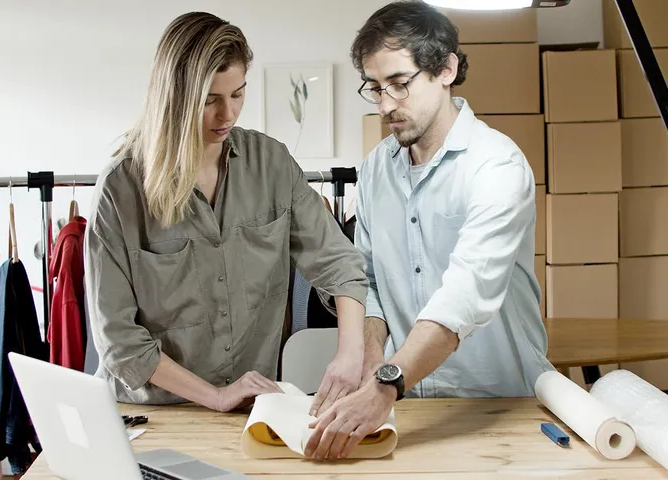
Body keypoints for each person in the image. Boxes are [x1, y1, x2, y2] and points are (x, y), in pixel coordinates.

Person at [304, 1, 554, 460]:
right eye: (375, 88)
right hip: (413, 408)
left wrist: (385, 385)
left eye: (399, 84)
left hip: (499, 404)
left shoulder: (496, 165)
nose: (385, 105)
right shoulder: (378, 167)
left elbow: (464, 294)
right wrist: (373, 352)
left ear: (446, 69)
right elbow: (369, 277)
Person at [84, 11, 368, 414]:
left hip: (248, 410)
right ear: (175, 97)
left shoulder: (271, 164)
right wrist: (215, 395)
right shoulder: (121, 189)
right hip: (156, 412)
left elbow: (339, 263)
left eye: (238, 94)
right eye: (209, 100)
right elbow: (119, 342)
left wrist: (350, 352)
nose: (228, 115)